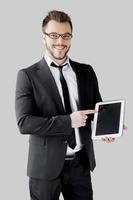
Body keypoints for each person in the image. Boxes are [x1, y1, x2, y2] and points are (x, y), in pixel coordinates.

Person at [15, 10, 119, 200]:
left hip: (80, 164)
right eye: (53, 35)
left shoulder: (86, 71)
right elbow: (24, 123)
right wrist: (68, 121)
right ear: (43, 38)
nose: (60, 42)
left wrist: (106, 128)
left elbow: (95, 111)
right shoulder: (28, 75)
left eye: (66, 36)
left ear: (71, 37)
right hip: (44, 169)